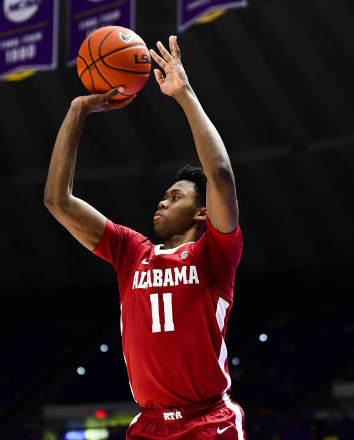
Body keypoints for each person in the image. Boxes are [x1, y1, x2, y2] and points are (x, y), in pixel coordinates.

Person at [44, 35, 245, 439]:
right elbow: (57, 200)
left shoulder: (214, 254)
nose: (163, 201)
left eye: (176, 197)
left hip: (209, 421)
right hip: (148, 425)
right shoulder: (131, 252)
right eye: (164, 195)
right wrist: (77, 111)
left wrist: (184, 94)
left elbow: (220, 174)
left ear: (202, 212)